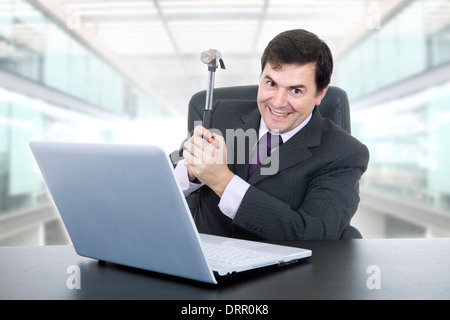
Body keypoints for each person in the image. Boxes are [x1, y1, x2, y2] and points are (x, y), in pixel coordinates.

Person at [170, 29, 369, 241]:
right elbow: (170, 178)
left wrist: (223, 182)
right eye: (271, 84)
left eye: (295, 90)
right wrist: (191, 174)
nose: (277, 102)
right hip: (203, 266)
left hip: (284, 273)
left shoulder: (345, 153)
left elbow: (314, 234)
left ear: (320, 94)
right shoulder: (220, 114)